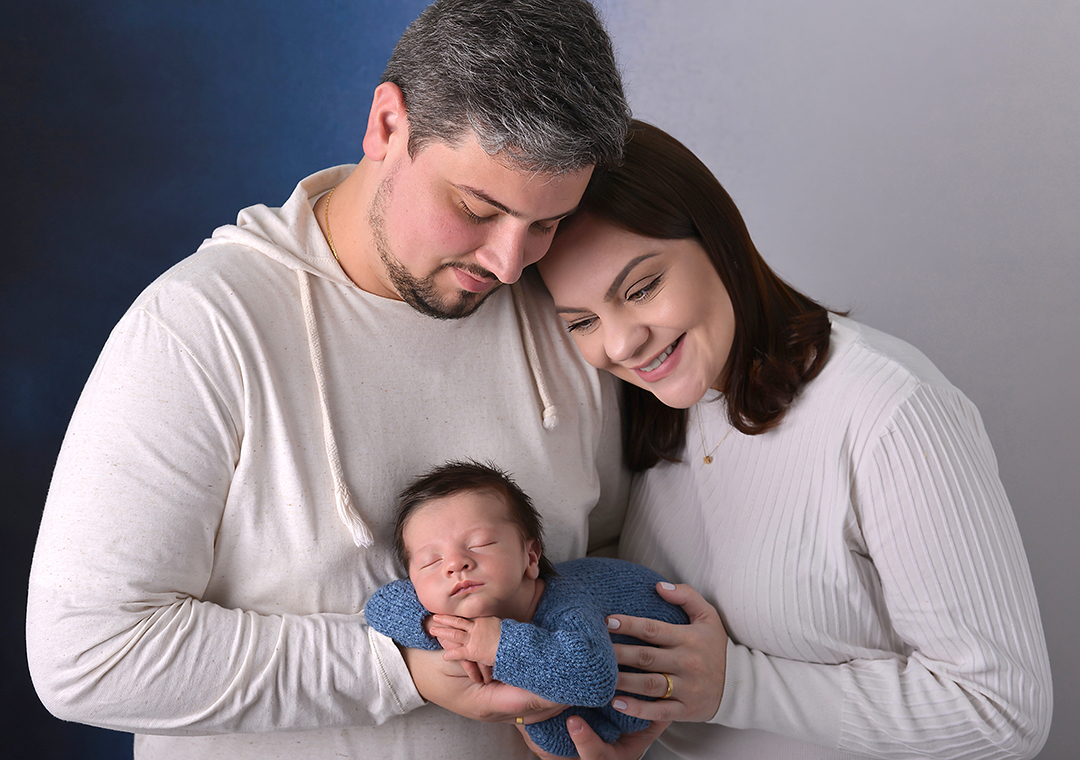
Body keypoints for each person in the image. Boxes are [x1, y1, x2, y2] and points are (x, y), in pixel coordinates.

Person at [25, 3, 639, 759]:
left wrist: (639, 707)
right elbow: (86, 654)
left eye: (544, 224)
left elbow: (606, 560)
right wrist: (399, 669)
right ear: (387, 125)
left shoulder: (568, 316)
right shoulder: (200, 328)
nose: (509, 264)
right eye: (477, 208)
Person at [535, 120, 1054, 759]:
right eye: (582, 322)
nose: (620, 343)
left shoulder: (889, 410)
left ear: (719, 239)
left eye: (642, 288)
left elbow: (1003, 712)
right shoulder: (653, 411)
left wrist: (736, 686)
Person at [364, 460, 689, 757]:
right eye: (431, 561)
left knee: (562, 726)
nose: (455, 564)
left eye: (480, 544)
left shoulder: (566, 606)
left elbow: (596, 678)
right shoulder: (438, 610)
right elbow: (378, 606)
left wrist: (499, 644)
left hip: (660, 658)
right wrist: (432, 626)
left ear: (530, 557)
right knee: (552, 732)